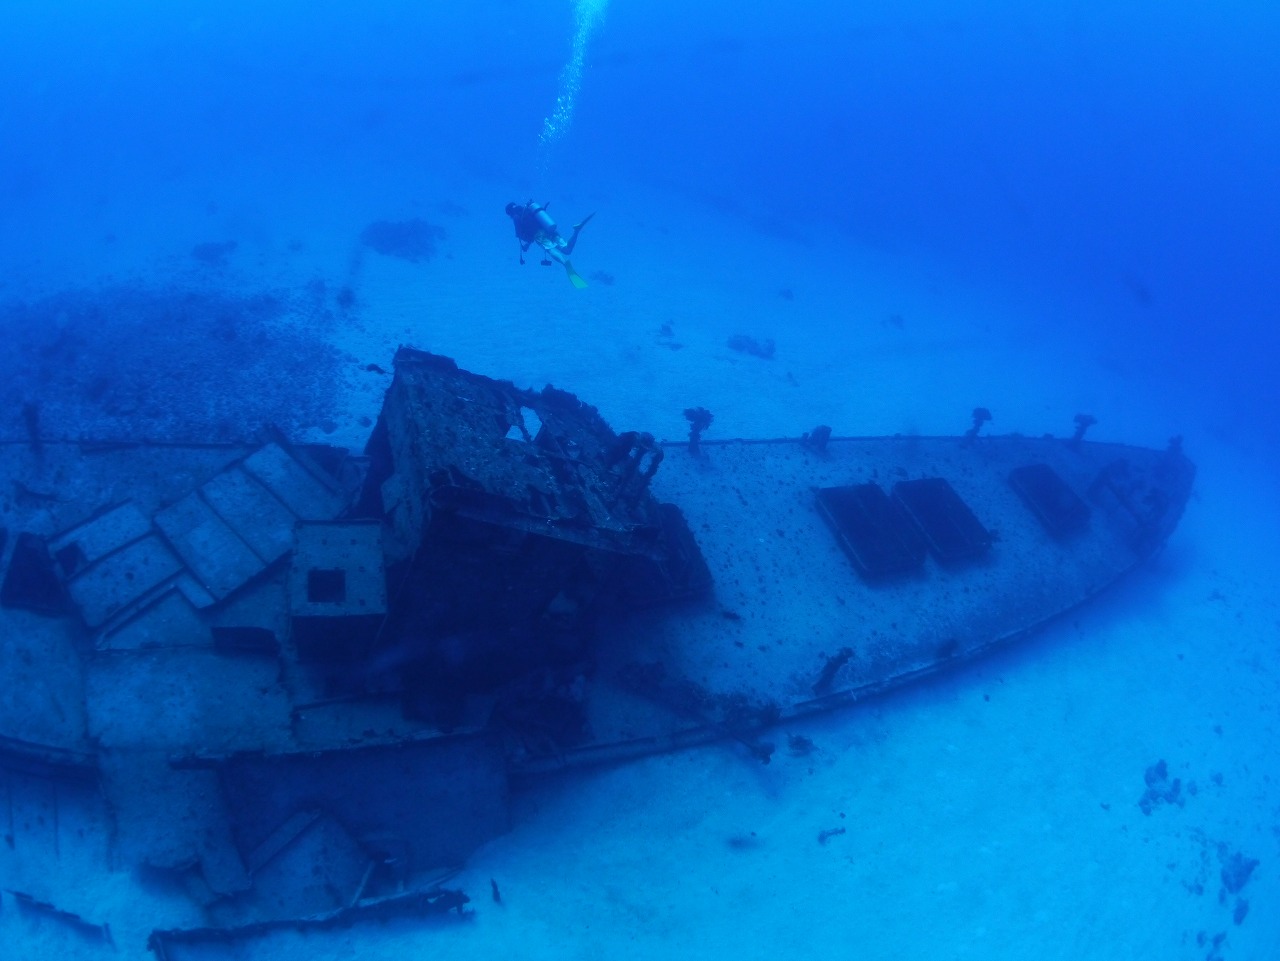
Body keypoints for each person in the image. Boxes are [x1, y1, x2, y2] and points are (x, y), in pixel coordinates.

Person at [505, 200, 594, 289]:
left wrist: (526, 243)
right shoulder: (528, 209)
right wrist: (528, 244)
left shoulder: (516, 217)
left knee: (550, 249)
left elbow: (520, 234)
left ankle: (564, 262)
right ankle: (576, 231)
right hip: (549, 229)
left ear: (510, 213)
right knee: (567, 249)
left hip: (539, 235)